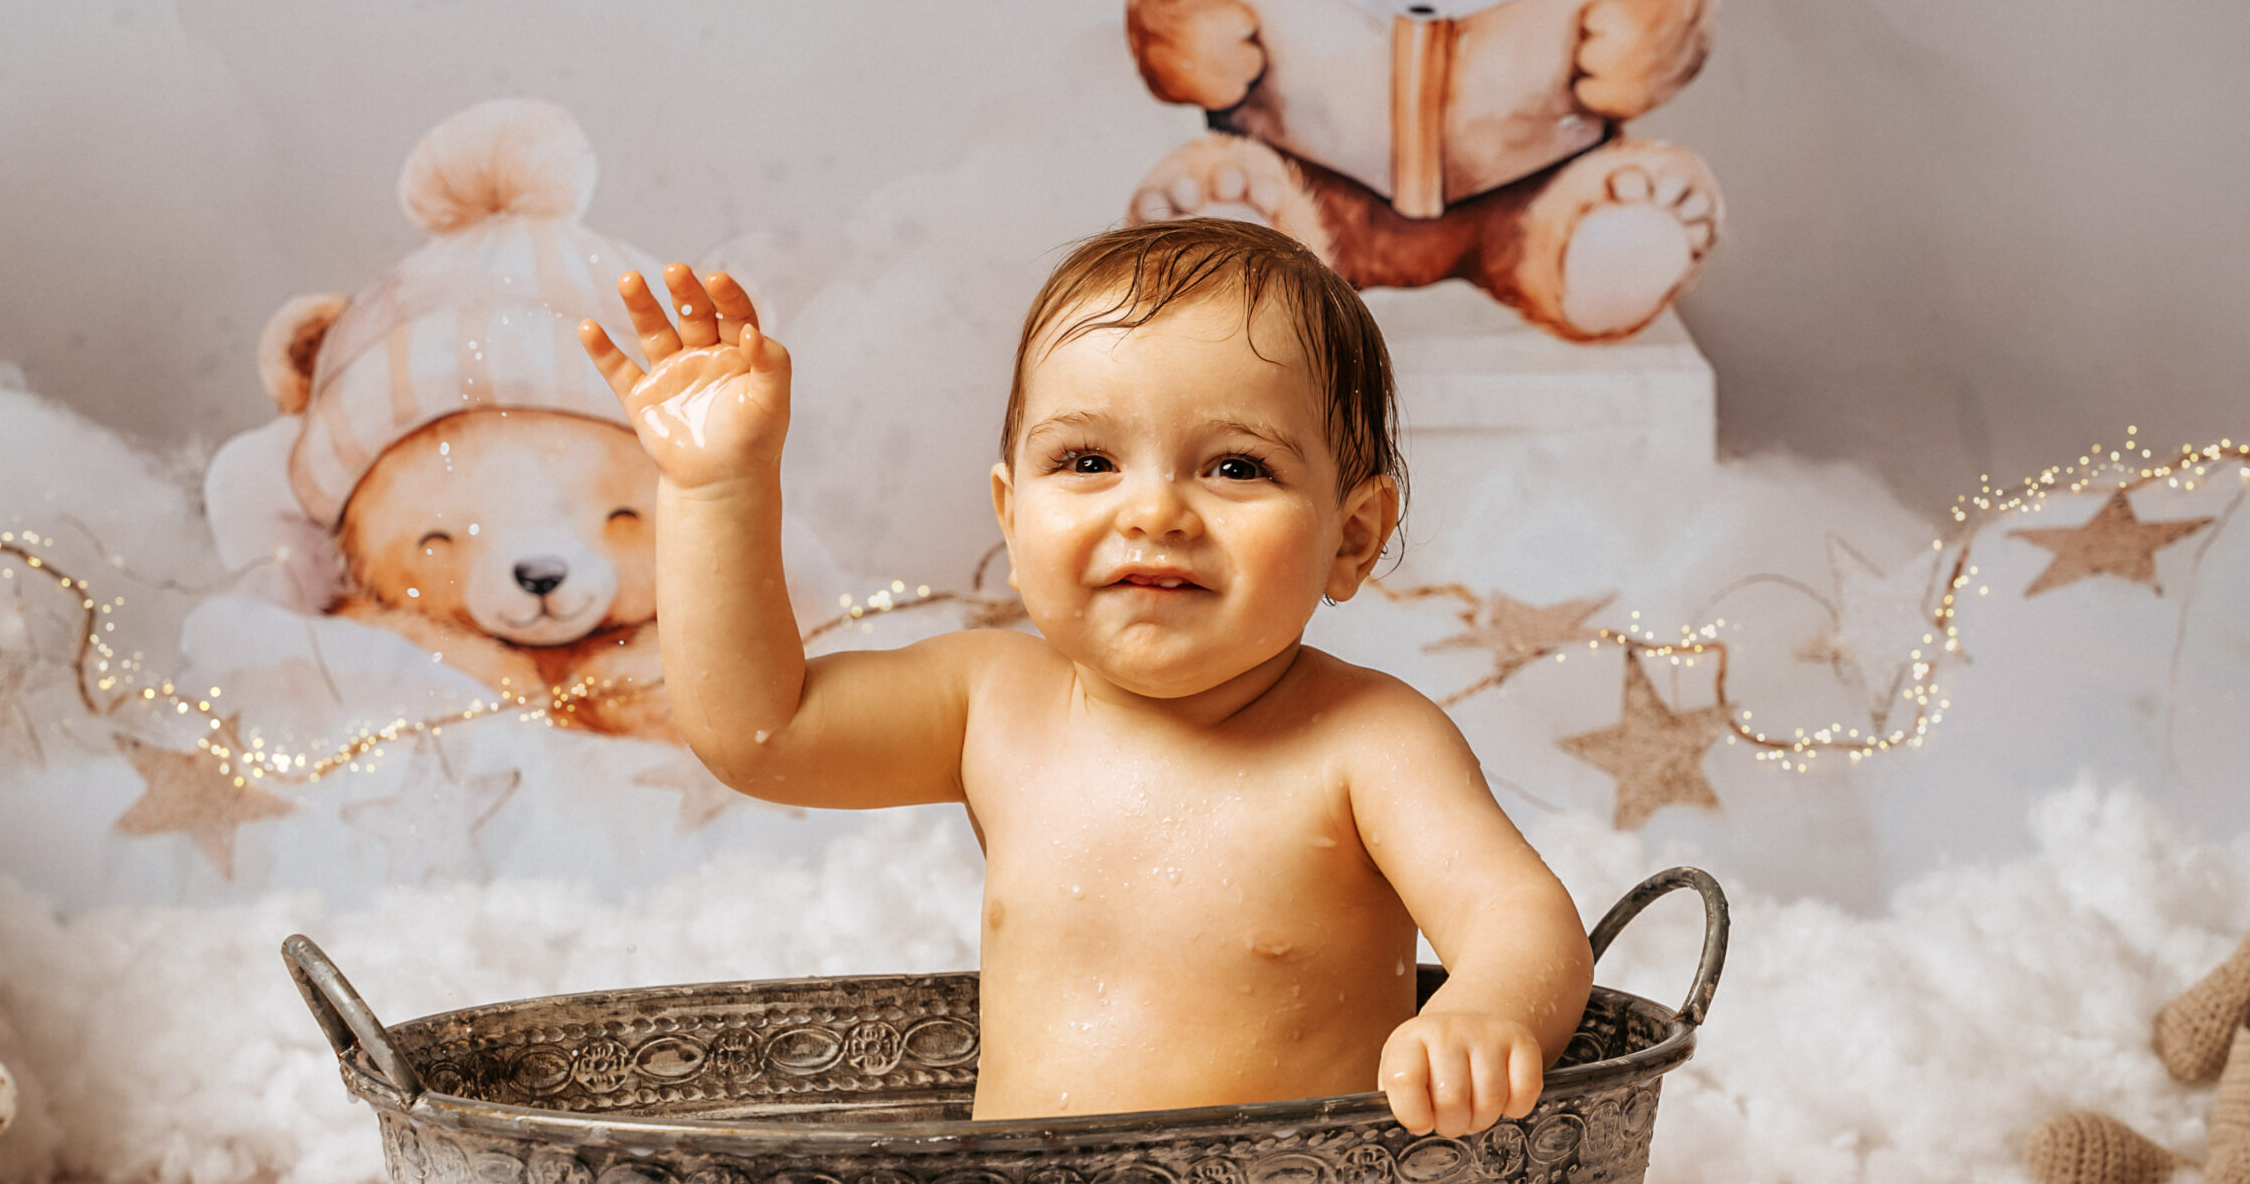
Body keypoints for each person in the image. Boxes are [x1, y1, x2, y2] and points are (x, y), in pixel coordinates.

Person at [579, 217, 1593, 1137]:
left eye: (1235, 466)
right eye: (1087, 460)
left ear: (1352, 535)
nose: (1155, 511)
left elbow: (1518, 918)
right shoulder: (992, 703)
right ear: (1012, 516)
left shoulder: (1369, 741)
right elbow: (760, 731)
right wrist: (717, 488)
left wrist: (1482, 1011)